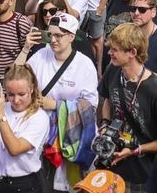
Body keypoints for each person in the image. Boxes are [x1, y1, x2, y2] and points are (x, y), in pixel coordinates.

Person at [97, 23, 157, 191]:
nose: (109, 53)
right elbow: (108, 101)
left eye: (115, 49)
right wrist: (104, 125)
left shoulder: (156, 90)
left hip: (142, 173)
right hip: (111, 163)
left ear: (132, 52)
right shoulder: (112, 70)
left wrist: (136, 150)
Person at [26, 13, 97, 193]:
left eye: (59, 35)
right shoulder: (41, 56)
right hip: (42, 133)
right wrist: (26, 47)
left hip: (70, 136)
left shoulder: (85, 65)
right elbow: (16, 78)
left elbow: (90, 106)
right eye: (50, 35)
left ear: (72, 37)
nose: (53, 40)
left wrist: (56, 105)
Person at [0, 64, 48, 193]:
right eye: (10, 94)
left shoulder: (39, 117)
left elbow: (15, 149)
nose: (16, 100)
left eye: (21, 94)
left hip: (25, 184)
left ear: (31, 89)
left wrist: (1, 116)